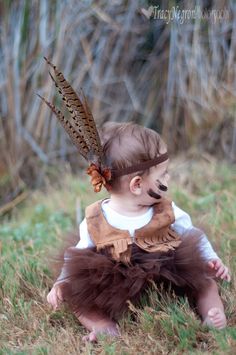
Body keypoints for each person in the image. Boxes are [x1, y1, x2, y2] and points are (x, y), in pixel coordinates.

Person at [40, 59, 230, 343]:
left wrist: (212, 259)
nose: (167, 181)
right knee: (78, 297)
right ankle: (102, 325)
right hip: (112, 279)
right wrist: (61, 282)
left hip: (167, 272)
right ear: (137, 185)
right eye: (162, 175)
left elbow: (194, 235)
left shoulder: (167, 211)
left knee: (204, 282)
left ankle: (211, 313)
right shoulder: (95, 218)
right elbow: (76, 253)